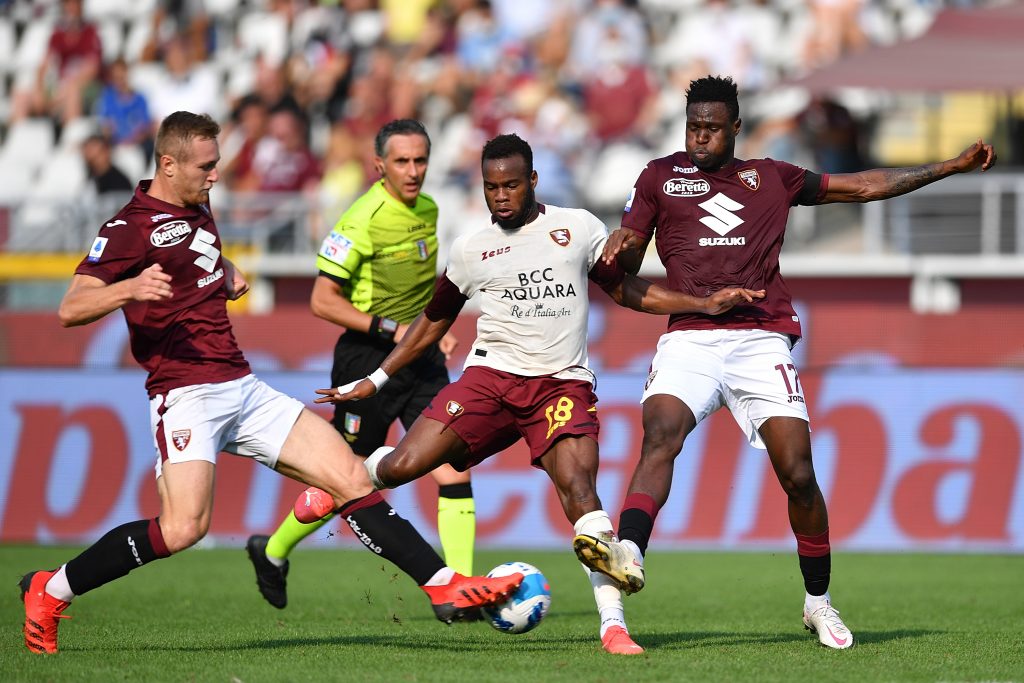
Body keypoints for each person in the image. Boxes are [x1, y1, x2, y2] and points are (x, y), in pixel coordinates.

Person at [18, 111, 523, 656]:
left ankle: (445, 585)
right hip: (185, 394)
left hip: (242, 385)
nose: (216, 176)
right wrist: (130, 288)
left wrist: (225, 270)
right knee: (183, 528)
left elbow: (191, 250)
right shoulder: (127, 228)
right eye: (206, 167)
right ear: (169, 164)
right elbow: (72, 306)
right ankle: (50, 590)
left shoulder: (195, 204)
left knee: (350, 476)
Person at [572, 75, 998, 651]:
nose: (700, 138)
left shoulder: (772, 178)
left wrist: (946, 167)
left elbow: (867, 185)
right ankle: (631, 552)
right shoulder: (659, 177)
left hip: (759, 339)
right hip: (691, 337)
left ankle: (818, 603)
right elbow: (629, 243)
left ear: (735, 129)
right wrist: (620, 243)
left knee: (798, 473)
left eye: (712, 128)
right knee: (660, 435)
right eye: (694, 127)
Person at [315, 133, 765, 655]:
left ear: (532, 181)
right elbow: (432, 321)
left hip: (560, 386)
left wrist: (700, 303)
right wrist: (378, 379)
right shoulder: (472, 248)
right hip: (490, 380)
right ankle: (337, 487)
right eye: (490, 187)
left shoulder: (575, 228)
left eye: (510, 185)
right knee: (399, 467)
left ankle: (614, 627)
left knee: (581, 494)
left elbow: (627, 290)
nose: (500, 196)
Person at [245, 119, 477, 610]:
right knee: (343, 478)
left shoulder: (430, 209)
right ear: (379, 166)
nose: (413, 171)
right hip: (367, 359)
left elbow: (420, 280)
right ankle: (272, 551)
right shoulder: (361, 219)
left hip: (421, 356)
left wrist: (434, 325)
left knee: (453, 464)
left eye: (420, 161)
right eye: (402, 162)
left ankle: (463, 590)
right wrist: (396, 330)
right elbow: (322, 300)